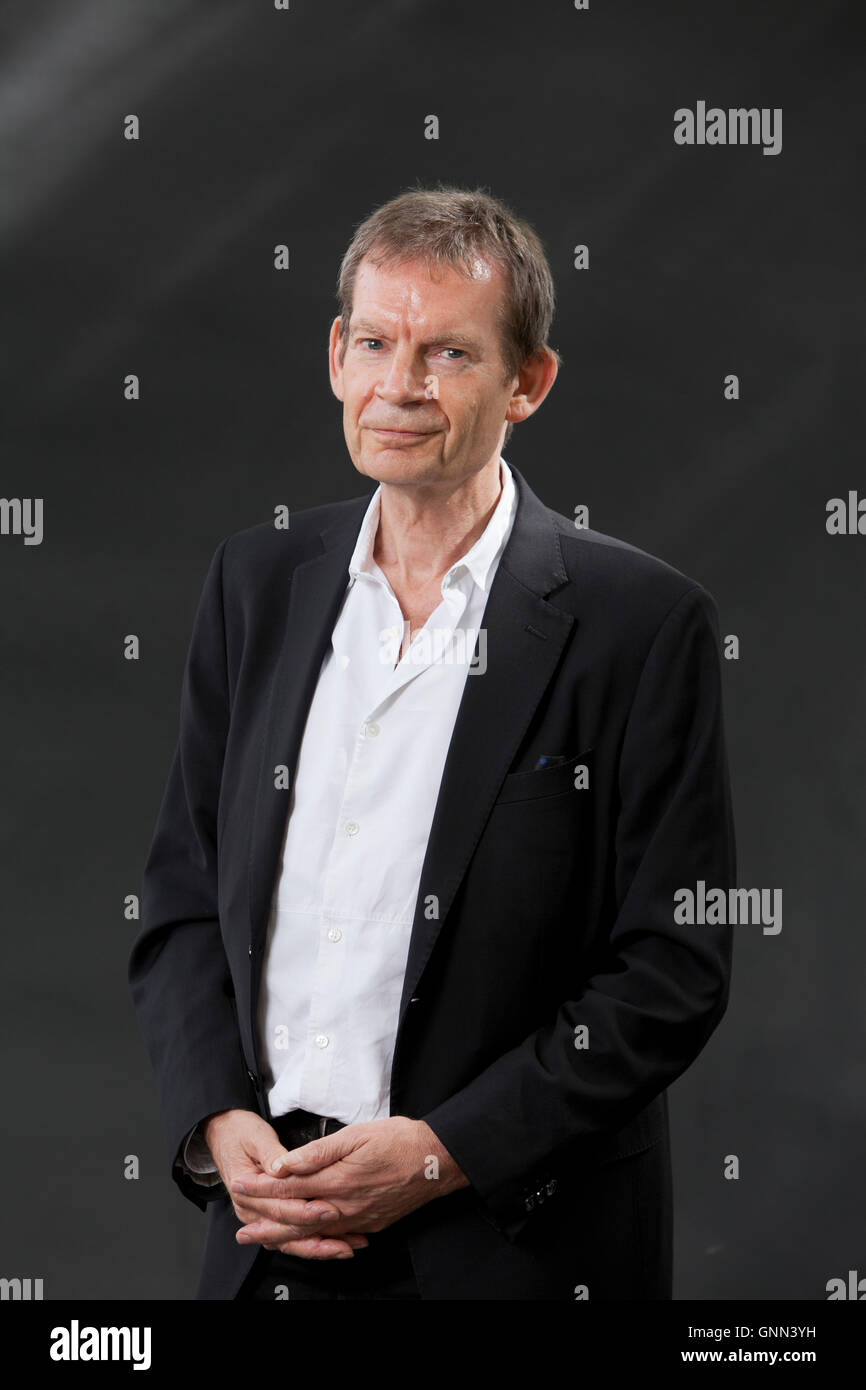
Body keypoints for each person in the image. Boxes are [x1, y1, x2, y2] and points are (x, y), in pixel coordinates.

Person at [128, 185, 736, 1301]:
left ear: (527, 382)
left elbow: (670, 970)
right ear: (334, 355)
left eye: (447, 353)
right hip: (269, 1235)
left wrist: (438, 1152)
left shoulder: (639, 625)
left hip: (509, 1246)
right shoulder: (255, 583)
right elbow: (179, 897)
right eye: (374, 342)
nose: (398, 386)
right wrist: (216, 1118)